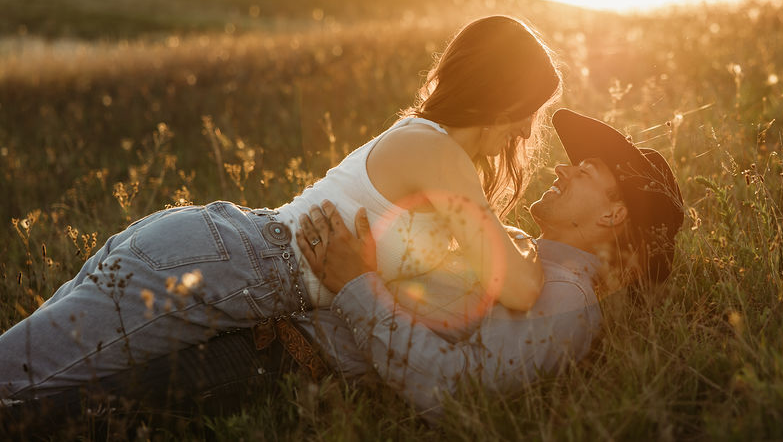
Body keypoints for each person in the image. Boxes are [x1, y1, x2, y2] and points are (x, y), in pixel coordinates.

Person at [0, 15, 562, 400]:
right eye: (526, 111)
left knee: (30, 378)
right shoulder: (436, 151)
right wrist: (538, 256)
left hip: (216, 254)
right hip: (231, 268)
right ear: (501, 94)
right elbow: (515, 287)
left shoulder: (431, 148)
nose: (524, 129)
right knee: (18, 382)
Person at [9, 109, 687, 424]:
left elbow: (456, 389)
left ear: (612, 217)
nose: (564, 167)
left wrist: (355, 282)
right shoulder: (519, 250)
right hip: (258, 316)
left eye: (588, 171)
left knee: (48, 411)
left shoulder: (568, 303)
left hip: (270, 357)